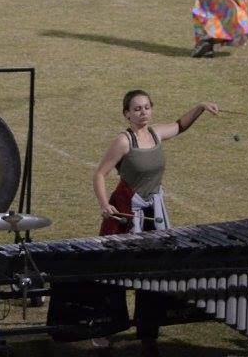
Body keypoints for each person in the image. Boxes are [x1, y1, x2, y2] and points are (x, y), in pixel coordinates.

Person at [92, 90, 219, 354]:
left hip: (153, 214)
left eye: (147, 107)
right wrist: (105, 205)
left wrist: (200, 106)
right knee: (114, 274)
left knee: (152, 275)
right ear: (127, 113)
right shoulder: (123, 141)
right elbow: (100, 174)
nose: (143, 112)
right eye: (137, 109)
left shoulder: (156, 133)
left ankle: (148, 333)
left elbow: (180, 126)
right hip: (126, 213)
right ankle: (105, 328)